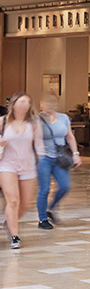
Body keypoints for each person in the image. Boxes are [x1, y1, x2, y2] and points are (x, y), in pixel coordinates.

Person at [1, 93, 43, 249]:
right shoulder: (3, 122)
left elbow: (38, 146)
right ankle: (15, 236)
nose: (26, 104)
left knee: (25, 204)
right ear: (14, 104)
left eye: (28, 102)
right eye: (22, 101)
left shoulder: (33, 124)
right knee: (13, 200)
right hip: (7, 165)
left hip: (28, 166)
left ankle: (9, 221)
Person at [36, 92, 80, 230]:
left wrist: (76, 153)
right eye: (46, 102)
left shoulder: (64, 118)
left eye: (52, 102)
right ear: (42, 104)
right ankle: (42, 219)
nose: (49, 105)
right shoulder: (37, 119)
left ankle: (51, 208)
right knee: (44, 188)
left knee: (65, 186)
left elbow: (70, 137)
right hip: (44, 158)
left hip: (60, 158)